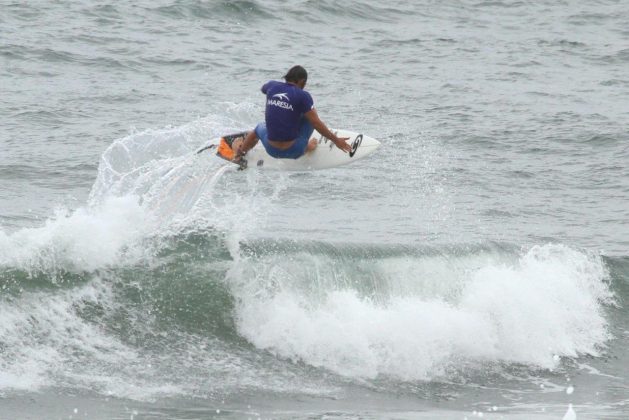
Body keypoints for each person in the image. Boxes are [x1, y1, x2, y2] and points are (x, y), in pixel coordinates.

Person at [234, 65, 351, 161]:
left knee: (258, 128)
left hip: (270, 149)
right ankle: (308, 147)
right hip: (295, 150)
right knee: (309, 117)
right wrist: (336, 141)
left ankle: (240, 153)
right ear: (302, 81)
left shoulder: (272, 86)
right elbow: (316, 123)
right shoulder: (303, 96)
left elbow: (263, 89)